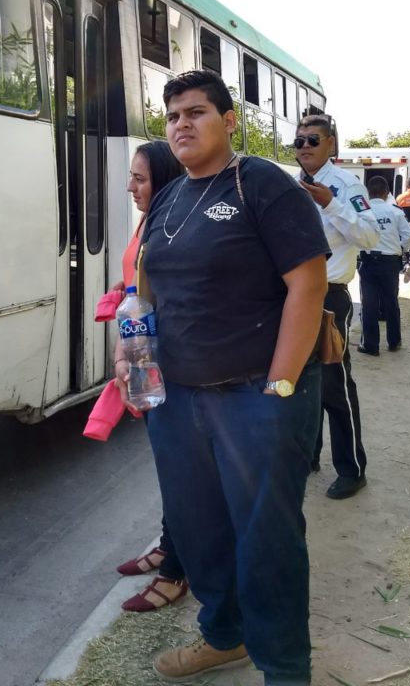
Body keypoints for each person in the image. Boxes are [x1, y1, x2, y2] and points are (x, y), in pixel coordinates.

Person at [116, 70, 329, 685]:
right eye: (173, 115)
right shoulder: (169, 198)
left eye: (197, 112)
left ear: (228, 120)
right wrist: (134, 356)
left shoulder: (261, 183)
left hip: (255, 394)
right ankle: (224, 635)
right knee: (198, 529)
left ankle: (286, 669)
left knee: (267, 539)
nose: (182, 124)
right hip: (178, 399)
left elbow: (307, 285)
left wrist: (282, 384)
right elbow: (147, 291)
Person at [112, 141, 188, 613]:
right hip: (145, 361)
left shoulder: (172, 227)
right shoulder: (150, 220)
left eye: (139, 178)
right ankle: (167, 544)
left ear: (160, 180)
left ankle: (177, 572)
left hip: (169, 366)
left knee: (181, 474)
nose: (130, 186)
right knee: (166, 468)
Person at [294, 114, 380, 501]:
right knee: (296, 381)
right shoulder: (289, 185)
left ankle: (352, 468)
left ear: (331, 143)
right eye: (299, 141)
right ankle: (307, 456)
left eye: (313, 139)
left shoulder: (345, 186)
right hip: (292, 295)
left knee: (334, 385)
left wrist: (332, 206)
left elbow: (370, 235)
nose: (305, 147)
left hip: (329, 297)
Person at [356, 176, 410, 356]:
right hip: (390, 263)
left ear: (368, 192)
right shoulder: (395, 212)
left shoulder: (362, 211)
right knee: (391, 302)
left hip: (368, 262)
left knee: (369, 304)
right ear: (387, 193)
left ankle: (371, 346)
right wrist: (402, 248)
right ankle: (394, 342)